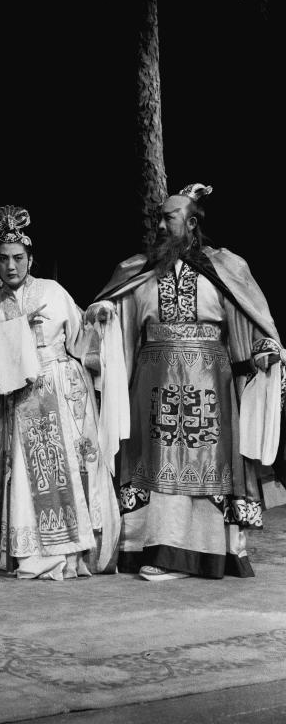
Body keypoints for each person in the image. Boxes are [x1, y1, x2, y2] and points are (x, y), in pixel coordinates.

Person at [90, 183, 285, 582]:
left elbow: (250, 317)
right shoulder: (139, 270)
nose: (161, 226)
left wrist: (264, 348)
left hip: (209, 387)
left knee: (204, 463)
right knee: (154, 463)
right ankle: (153, 548)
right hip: (152, 385)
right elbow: (117, 313)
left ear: (192, 223)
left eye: (169, 218)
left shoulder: (226, 267)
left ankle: (203, 554)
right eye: (158, 219)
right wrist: (103, 314)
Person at [0, 204, 121, 580]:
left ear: (31, 259)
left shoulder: (53, 291)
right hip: (21, 399)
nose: (11, 266)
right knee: (26, 475)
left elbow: (80, 339)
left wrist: (98, 319)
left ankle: (78, 553)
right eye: (3, 258)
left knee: (76, 468)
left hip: (64, 392)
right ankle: (36, 552)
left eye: (18, 258)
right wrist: (19, 329)